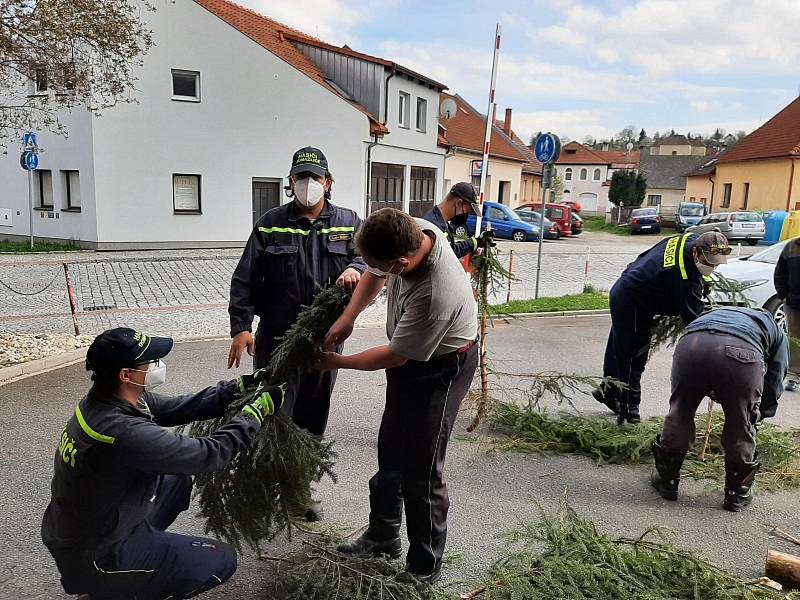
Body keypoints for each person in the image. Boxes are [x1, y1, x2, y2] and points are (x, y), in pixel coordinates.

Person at [41, 328, 283, 599]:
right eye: (150, 362)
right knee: (222, 559)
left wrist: (239, 387)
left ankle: (136, 564)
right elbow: (209, 453)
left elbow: (180, 407)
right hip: (99, 552)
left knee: (175, 480)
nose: (157, 366)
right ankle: (116, 586)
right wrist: (253, 414)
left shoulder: (106, 399)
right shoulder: (123, 432)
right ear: (126, 375)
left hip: (86, 528)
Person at [316, 208, 478, 584]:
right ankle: (383, 535)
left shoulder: (438, 291)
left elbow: (395, 355)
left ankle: (424, 566)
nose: (379, 272)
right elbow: (374, 271)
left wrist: (336, 361)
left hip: (442, 368)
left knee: (421, 470)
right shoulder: (412, 230)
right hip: (413, 358)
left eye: (388, 269)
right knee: (391, 449)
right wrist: (349, 316)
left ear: (403, 263)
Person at [228, 146, 365, 520]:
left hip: (324, 340)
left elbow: (369, 257)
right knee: (271, 412)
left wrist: (354, 266)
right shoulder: (270, 223)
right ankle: (265, 488)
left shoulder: (349, 222)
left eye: (315, 177)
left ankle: (299, 488)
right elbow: (245, 280)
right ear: (290, 182)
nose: (308, 184)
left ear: (328, 182)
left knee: (311, 416)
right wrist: (241, 328)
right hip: (274, 339)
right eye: (300, 177)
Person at [650, 307, 787, 511]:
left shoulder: (710, 314)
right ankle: (736, 495)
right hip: (742, 353)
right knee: (740, 424)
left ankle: (667, 481)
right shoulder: (774, 329)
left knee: (681, 410)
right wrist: (760, 415)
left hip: (691, 346)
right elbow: (775, 377)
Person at [593, 231, 730, 424]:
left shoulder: (690, 238)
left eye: (715, 263)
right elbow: (695, 319)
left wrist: (702, 282)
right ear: (696, 253)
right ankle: (629, 411)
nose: (711, 267)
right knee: (633, 356)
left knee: (618, 346)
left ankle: (608, 390)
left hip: (635, 279)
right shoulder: (682, 273)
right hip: (632, 299)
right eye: (708, 262)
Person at [422, 182, 482, 258]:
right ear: (458, 203)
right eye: (468, 212)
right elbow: (444, 258)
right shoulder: (432, 228)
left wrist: (475, 242)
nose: (467, 216)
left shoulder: (443, 223)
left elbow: (451, 251)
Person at [773, 237, 800, 391]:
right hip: (794, 304)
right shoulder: (792, 247)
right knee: (795, 340)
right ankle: (793, 376)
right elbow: (779, 272)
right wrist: (784, 295)